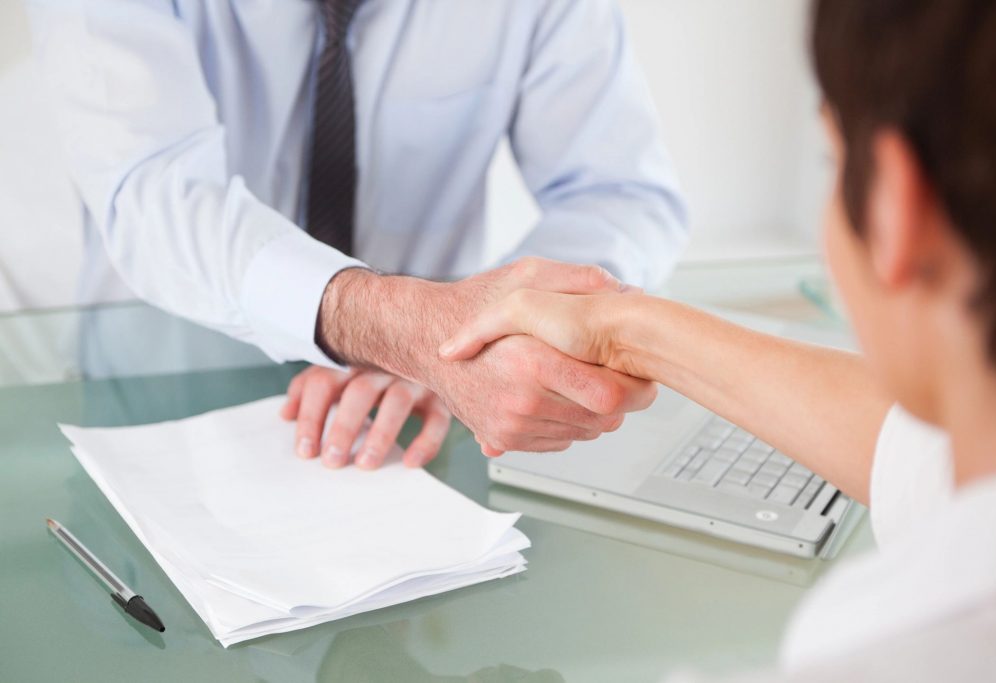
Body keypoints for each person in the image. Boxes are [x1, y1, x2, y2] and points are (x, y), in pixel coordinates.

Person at [440, 0, 996, 679]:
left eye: (831, 161)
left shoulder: (874, 653)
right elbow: (919, 452)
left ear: (895, 207)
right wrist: (621, 329)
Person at [26, 0, 685, 470]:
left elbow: (620, 194)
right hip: (165, 392)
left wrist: (483, 336)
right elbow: (153, 195)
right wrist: (402, 329)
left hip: (412, 414)